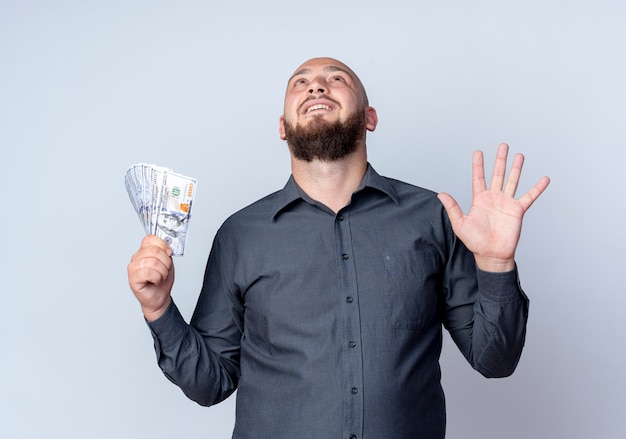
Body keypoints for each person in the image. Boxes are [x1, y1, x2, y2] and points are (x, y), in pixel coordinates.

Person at [127, 57, 550, 439]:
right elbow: (210, 383)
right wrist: (158, 308)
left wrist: (496, 264)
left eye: (336, 79)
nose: (317, 87)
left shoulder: (434, 217)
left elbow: (495, 360)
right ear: (282, 126)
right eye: (301, 82)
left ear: (369, 117)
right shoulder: (240, 235)